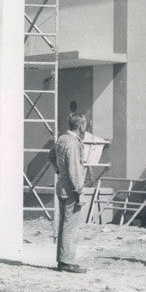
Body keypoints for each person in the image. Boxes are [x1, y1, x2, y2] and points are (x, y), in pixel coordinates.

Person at [50, 112, 89, 273]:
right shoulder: (73, 143)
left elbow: (51, 156)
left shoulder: (62, 139)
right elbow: (74, 170)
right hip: (72, 188)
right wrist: (79, 190)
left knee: (64, 224)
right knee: (70, 226)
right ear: (81, 126)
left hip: (62, 185)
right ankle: (67, 261)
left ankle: (63, 260)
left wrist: (59, 171)